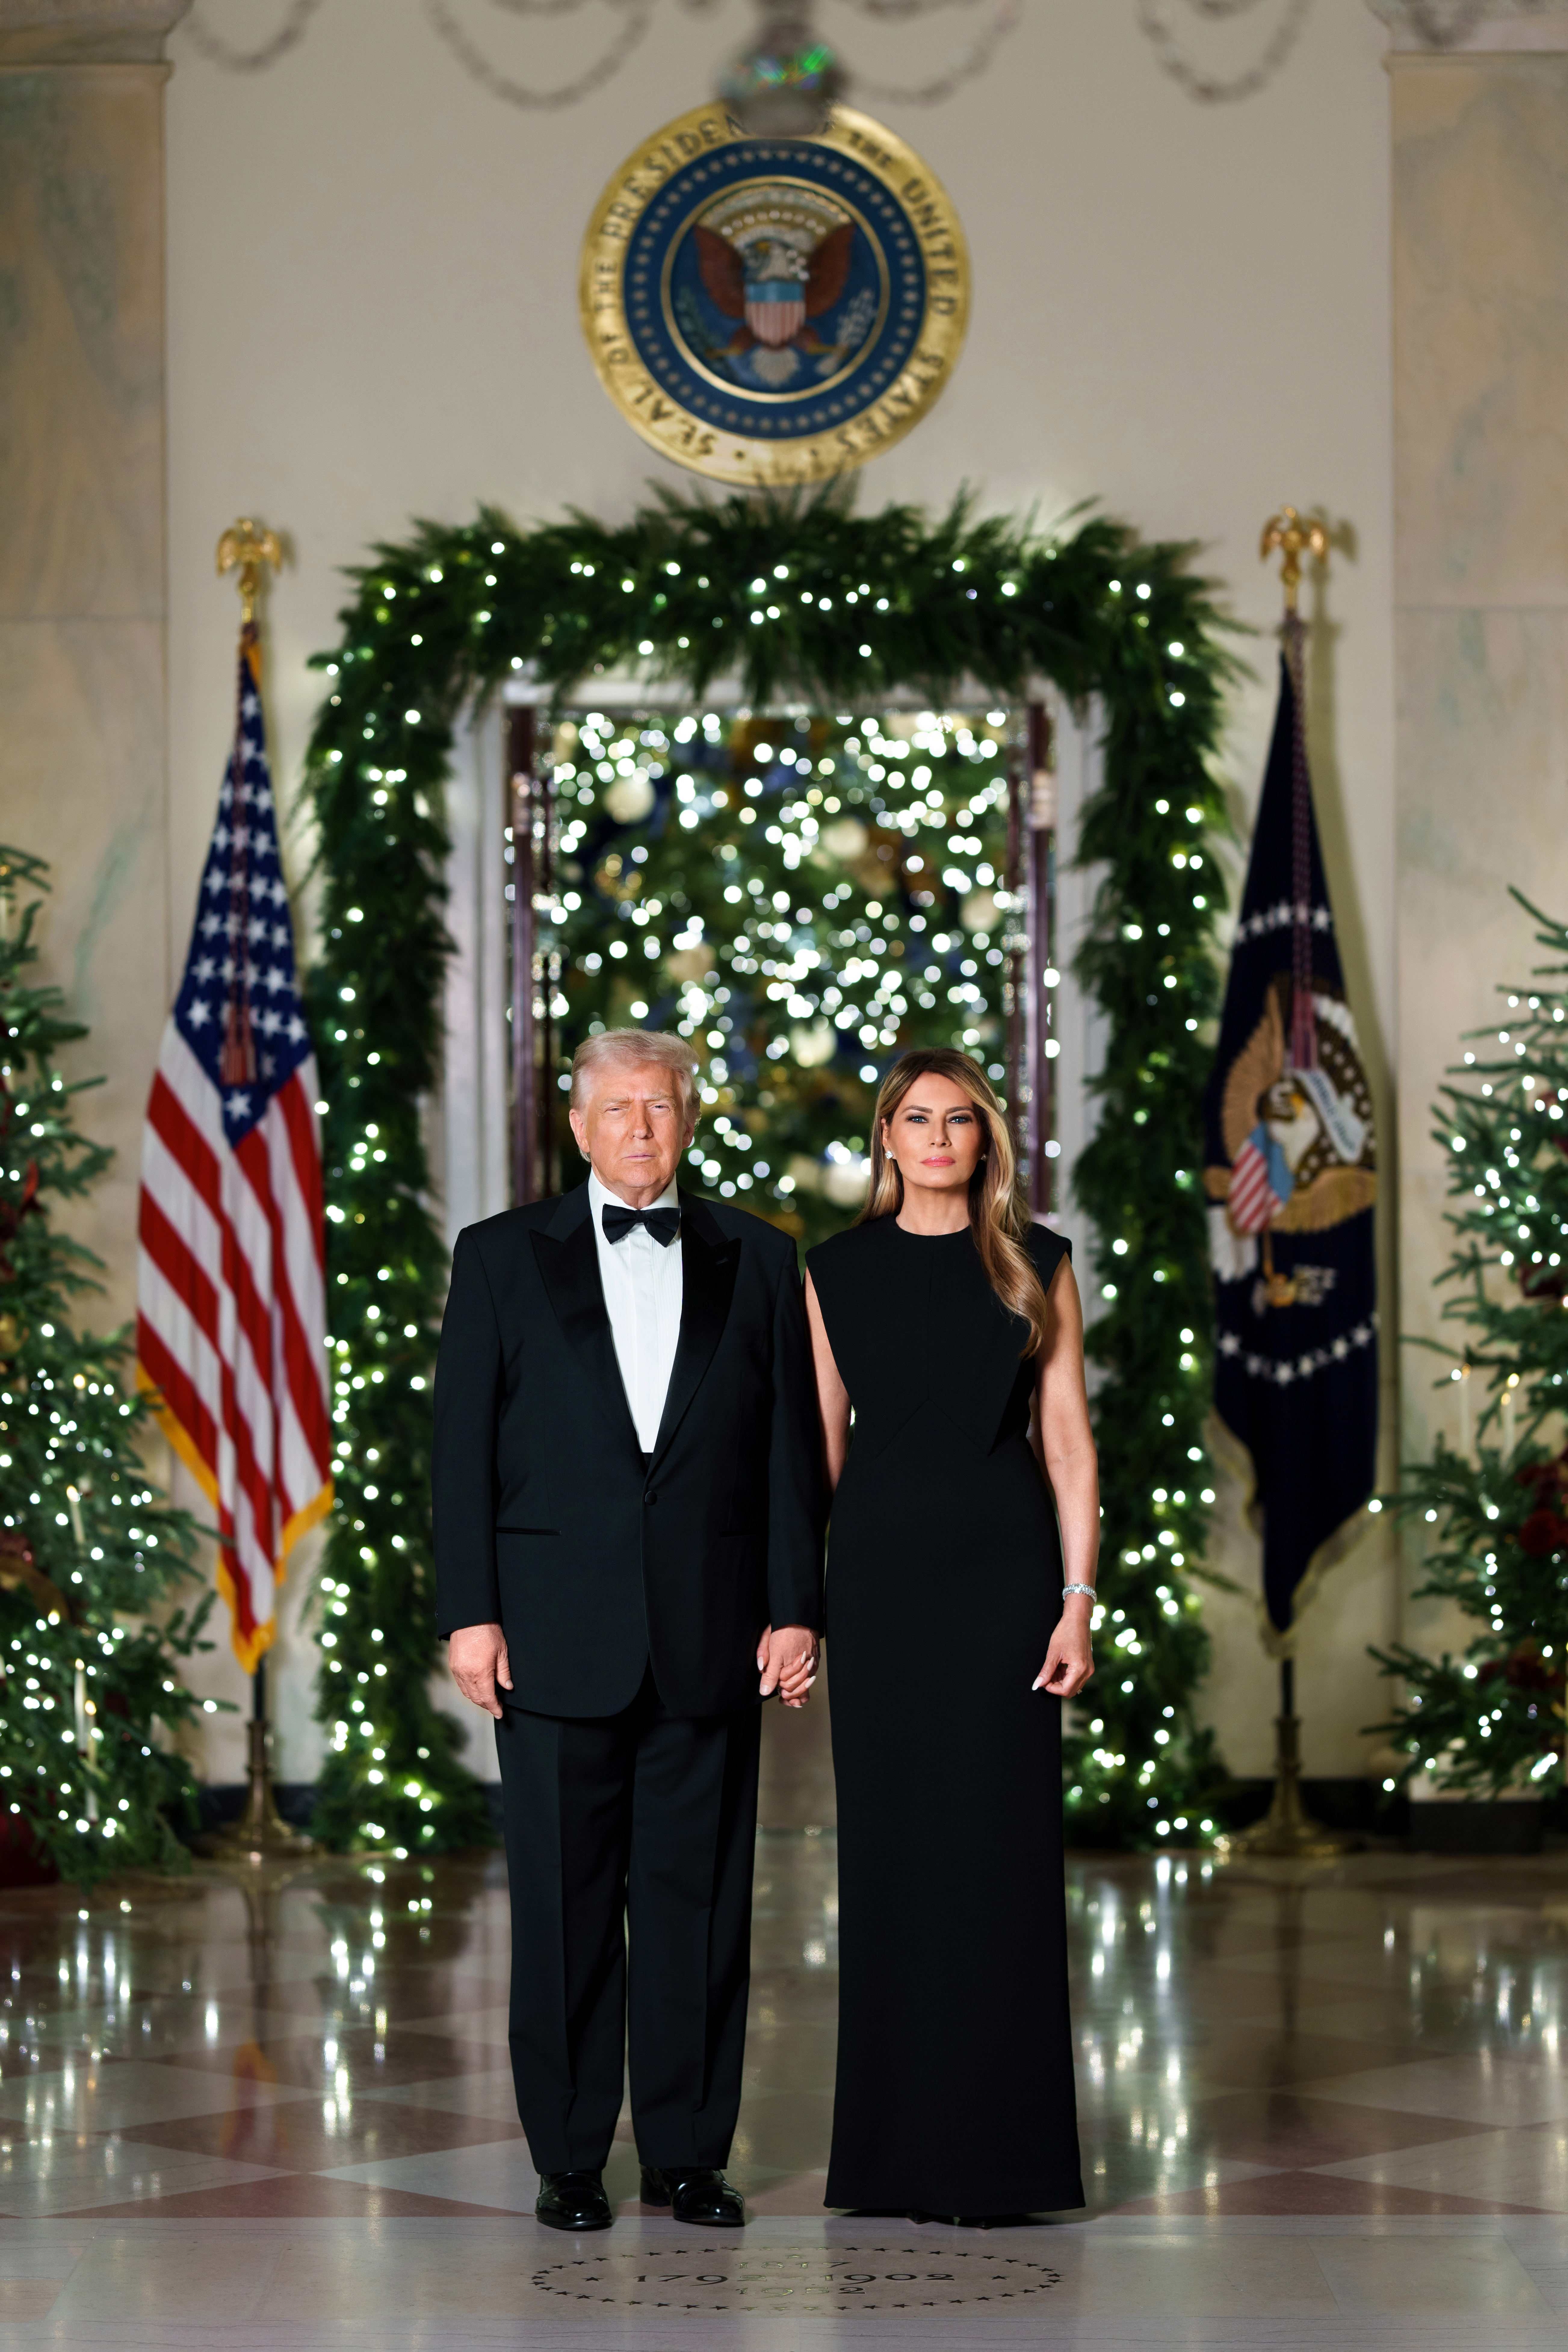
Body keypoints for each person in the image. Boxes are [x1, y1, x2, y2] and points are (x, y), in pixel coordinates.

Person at [433, 1029, 824, 2234]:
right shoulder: (501, 1257)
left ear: (689, 1117)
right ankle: (566, 2156)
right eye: (616, 1107)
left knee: (697, 1905)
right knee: (561, 1909)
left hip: (710, 1627)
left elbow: (788, 1453)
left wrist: (795, 1605)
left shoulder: (760, 1256)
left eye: (659, 1106)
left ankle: (689, 2152)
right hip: (551, 1633)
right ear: (580, 1121)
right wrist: (469, 1612)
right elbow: (459, 1448)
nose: (640, 1127)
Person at [805, 1048, 1095, 2223]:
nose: (935, 1135)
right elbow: (818, 1447)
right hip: (876, 1580)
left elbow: (1068, 1438)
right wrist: (797, 1604)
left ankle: (1004, 2160)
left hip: (1004, 1576)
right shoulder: (830, 1270)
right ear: (885, 1137)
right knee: (889, 1857)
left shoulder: (1038, 1263)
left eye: (957, 1117)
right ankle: (888, 2158)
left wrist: (1077, 1597)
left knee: (998, 1854)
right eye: (915, 1118)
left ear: (986, 1137)